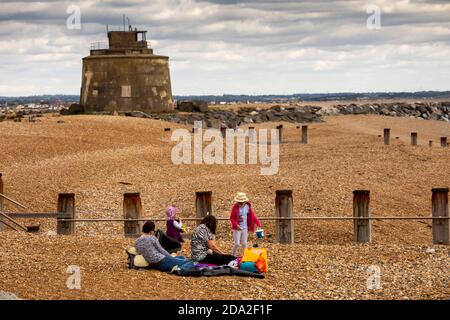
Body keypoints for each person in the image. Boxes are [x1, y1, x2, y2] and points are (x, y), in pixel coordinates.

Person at [229, 192, 262, 257]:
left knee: (244, 243)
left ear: (245, 201)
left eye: (241, 202)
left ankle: (244, 256)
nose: (240, 204)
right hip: (237, 228)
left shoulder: (247, 207)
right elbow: (231, 218)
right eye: (238, 202)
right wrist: (236, 225)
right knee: (237, 244)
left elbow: (253, 216)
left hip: (245, 227)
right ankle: (233, 256)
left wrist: (258, 223)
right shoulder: (235, 207)